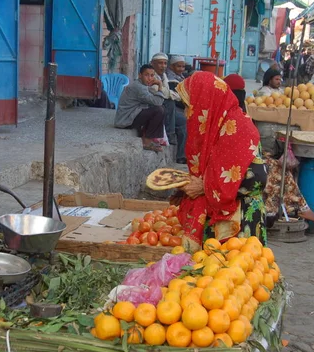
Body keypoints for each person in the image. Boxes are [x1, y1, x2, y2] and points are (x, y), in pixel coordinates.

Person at [171, 72, 268, 245]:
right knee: (210, 269)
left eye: (189, 106)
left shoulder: (239, 130)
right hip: (215, 218)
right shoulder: (215, 125)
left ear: (205, 103)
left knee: (235, 270)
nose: (187, 113)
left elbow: (257, 179)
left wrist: (205, 186)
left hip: (239, 224)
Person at [114, 64, 167, 152]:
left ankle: (151, 137)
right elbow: (158, 102)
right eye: (146, 75)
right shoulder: (138, 87)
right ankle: (147, 142)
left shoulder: (141, 84)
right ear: (140, 75)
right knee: (159, 110)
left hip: (132, 114)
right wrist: (160, 86)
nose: (149, 78)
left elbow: (154, 97)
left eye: (152, 75)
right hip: (126, 119)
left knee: (160, 109)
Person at [150, 52, 187, 163]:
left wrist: (173, 95)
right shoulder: (150, 75)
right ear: (153, 64)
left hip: (163, 105)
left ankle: (181, 156)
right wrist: (176, 97)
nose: (163, 66)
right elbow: (162, 92)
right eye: (160, 63)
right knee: (170, 102)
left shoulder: (163, 76)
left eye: (165, 63)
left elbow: (166, 92)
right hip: (153, 106)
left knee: (184, 122)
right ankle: (170, 134)